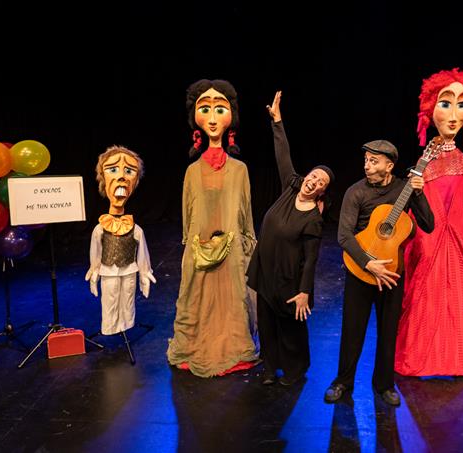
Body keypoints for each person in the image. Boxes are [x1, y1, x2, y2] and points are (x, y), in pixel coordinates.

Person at [395, 68, 463, 377]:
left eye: (461, 104)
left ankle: (458, 355)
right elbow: (417, 207)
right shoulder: (426, 159)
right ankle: (424, 354)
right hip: (429, 238)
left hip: (458, 241)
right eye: (445, 103)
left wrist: (462, 241)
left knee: (460, 294)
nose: (453, 115)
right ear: (430, 109)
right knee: (427, 293)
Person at [324, 139, 434, 407]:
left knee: (388, 331)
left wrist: (419, 193)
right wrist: (368, 263)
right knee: (352, 330)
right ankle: (343, 381)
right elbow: (344, 235)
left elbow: (429, 225)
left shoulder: (404, 188)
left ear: (390, 165)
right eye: (366, 160)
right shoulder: (355, 192)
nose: (367, 166)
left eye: (374, 161)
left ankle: (384, 384)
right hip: (360, 269)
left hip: (392, 272)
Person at [167, 79, 259, 377]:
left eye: (220, 109)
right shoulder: (192, 170)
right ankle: (195, 343)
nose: (212, 118)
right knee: (197, 292)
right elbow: (188, 210)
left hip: (232, 244)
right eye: (204, 109)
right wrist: (190, 243)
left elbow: (244, 210)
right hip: (200, 244)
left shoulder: (240, 169)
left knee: (233, 292)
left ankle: (233, 346)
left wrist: (247, 243)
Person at [247, 91, 333, 386]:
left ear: (322, 192)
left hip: (289, 280)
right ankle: (270, 368)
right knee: (267, 324)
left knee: (290, 328)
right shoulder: (290, 187)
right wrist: (277, 121)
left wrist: (305, 291)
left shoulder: (313, 220)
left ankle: (295, 371)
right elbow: (282, 153)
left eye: (321, 182)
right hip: (265, 271)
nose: (314, 181)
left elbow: (311, 259)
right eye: (313, 175)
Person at [85, 145, 156, 336]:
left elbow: (142, 253)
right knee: (109, 300)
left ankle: (127, 325)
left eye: (129, 171)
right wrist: (94, 270)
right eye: (113, 169)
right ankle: (110, 329)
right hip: (108, 271)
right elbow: (96, 252)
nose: (122, 177)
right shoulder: (100, 229)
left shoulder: (136, 229)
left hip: (130, 269)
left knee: (128, 300)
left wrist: (145, 272)